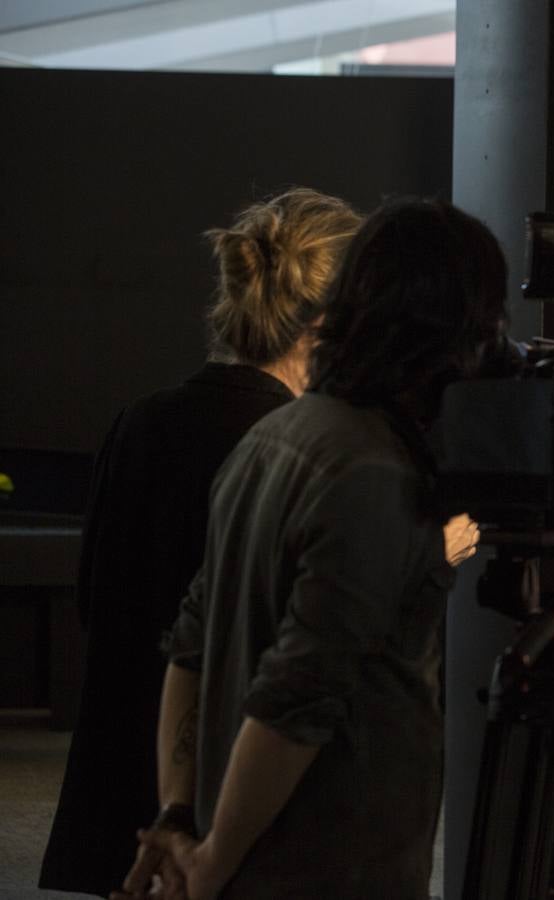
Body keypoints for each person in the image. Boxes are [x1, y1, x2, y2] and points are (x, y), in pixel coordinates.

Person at [115, 198, 503, 899]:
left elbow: (191, 645)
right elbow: (297, 699)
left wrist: (180, 816)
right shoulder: (377, 472)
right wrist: (212, 863)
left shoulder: (277, 435)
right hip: (330, 866)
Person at [38, 187, 361, 896]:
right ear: (328, 322)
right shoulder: (299, 449)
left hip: (125, 784)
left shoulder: (141, 422)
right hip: (229, 801)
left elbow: (95, 598)